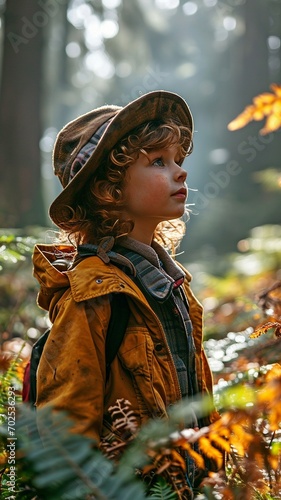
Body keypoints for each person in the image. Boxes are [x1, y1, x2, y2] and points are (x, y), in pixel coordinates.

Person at [33, 90, 220, 497]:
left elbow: (196, 400)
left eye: (178, 160)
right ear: (109, 189)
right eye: (158, 161)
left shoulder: (174, 286)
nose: (180, 172)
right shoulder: (91, 298)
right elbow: (66, 435)